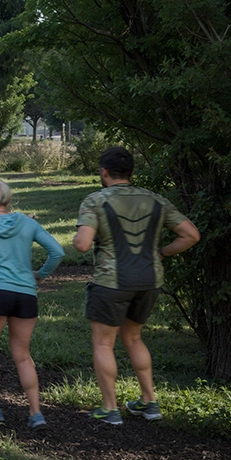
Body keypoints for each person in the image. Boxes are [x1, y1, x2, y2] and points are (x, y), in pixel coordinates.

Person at [74, 146, 199, 425]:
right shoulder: (156, 200)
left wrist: (78, 238)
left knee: (103, 344)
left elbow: (82, 244)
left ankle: (110, 409)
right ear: (131, 173)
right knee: (134, 338)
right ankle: (149, 402)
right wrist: (162, 252)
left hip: (111, 283)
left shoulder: (96, 201)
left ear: (103, 172)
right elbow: (191, 235)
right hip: (148, 281)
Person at [0, 178, 64, 429]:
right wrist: (40, 274)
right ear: (8, 201)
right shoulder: (28, 223)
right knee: (22, 356)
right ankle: (36, 413)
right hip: (26, 295)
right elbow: (58, 252)